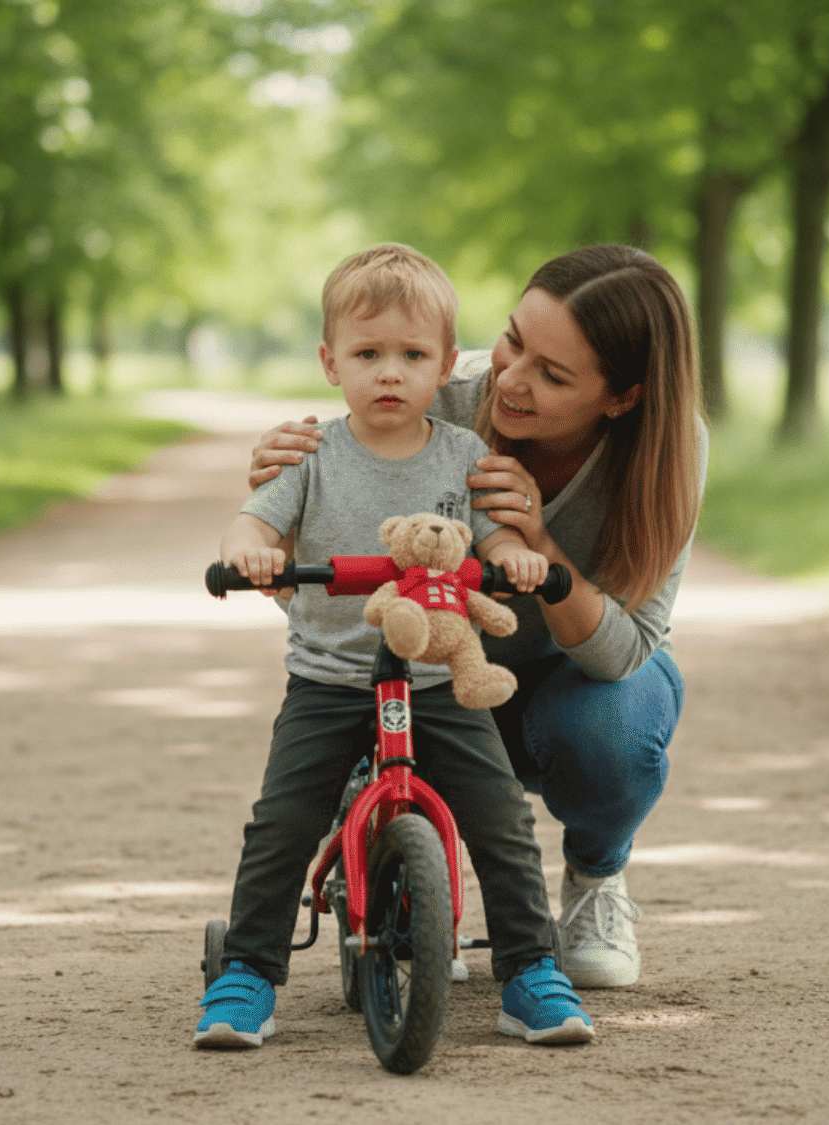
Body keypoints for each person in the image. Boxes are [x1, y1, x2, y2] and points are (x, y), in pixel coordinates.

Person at [248, 244, 705, 991]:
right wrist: (281, 517)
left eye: (553, 375)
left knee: (610, 730)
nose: (512, 380)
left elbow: (622, 653)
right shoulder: (439, 402)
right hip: (430, 674)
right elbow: (319, 582)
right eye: (515, 340)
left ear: (622, 397)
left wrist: (542, 544)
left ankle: (595, 878)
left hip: (572, 686)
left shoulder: (666, 451)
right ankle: (390, 849)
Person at [199, 243, 594, 1051]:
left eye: (412, 355)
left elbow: (499, 533)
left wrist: (518, 556)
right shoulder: (313, 454)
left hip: (439, 681)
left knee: (501, 818)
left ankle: (529, 970)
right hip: (328, 680)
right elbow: (254, 517)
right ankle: (246, 973)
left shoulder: (464, 454)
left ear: (448, 364)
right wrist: (254, 548)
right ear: (329, 361)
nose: (389, 372)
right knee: (281, 819)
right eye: (367, 353)